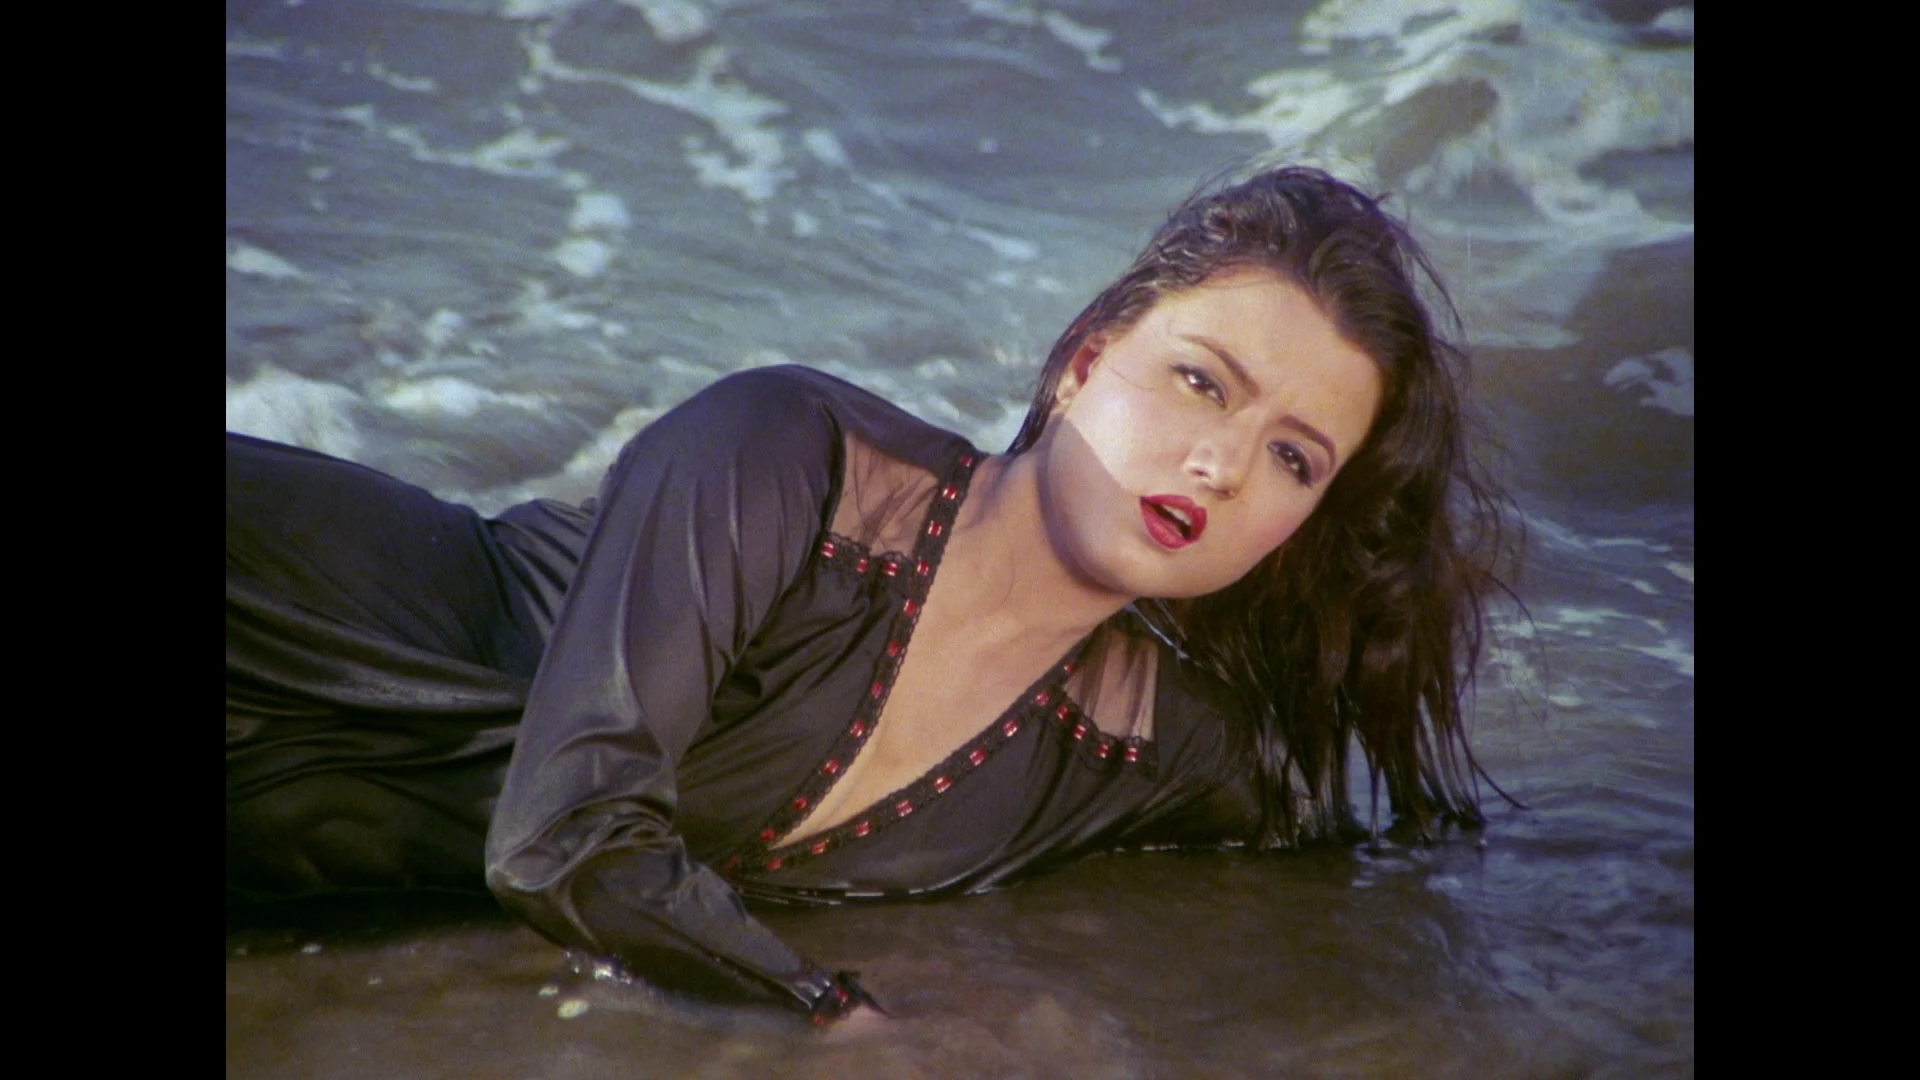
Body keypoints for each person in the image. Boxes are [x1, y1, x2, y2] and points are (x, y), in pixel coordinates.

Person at [226, 165, 1517, 1026]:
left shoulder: (1148, 755)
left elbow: (1347, 881)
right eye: (1200, 381)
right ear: (1083, 362)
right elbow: (563, 836)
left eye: (1294, 458)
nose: (1223, 464)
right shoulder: (786, 457)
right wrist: (825, 1012)